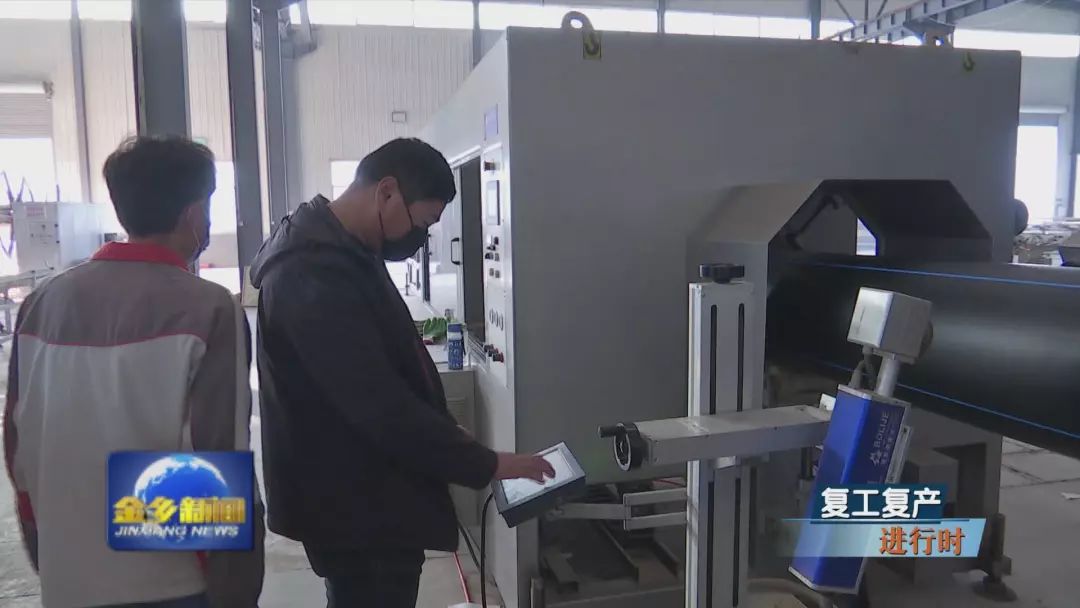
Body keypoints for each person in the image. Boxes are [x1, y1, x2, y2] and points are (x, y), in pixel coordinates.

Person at [250, 137, 553, 607]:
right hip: (354, 507)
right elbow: (376, 403)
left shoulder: (347, 252)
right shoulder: (311, 272)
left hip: (367, 496)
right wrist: (487, 463)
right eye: (423, 222)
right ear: (387, 191)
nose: (421, 239)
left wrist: (442, 427)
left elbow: (383, 366)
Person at [3, 136, 264, 608]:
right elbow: (216, 455)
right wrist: (235, 591)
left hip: (67, 579)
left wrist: (53, 554)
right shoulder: (206, 307)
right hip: (169, 584)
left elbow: (19, 449)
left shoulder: (43, 303)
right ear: (194, 214)